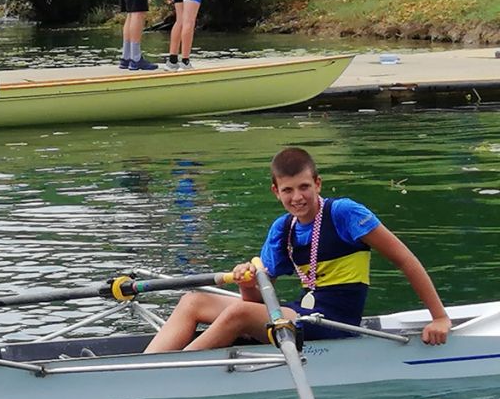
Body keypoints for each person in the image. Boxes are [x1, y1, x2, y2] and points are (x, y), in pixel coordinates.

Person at [144, 147, 452, 354]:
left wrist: (439, 318)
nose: (298, 197)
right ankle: (149, 364)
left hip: (334, 321)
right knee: (193, 300)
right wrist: (247, 283)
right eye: (288, 190)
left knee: (235, 312)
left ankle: (167, 375)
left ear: (318, 183)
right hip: (301, 313)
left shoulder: (345, 213)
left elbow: (405, 260)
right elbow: (256, 304)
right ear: (275, 191)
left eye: (304, 187)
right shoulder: (283, 228)